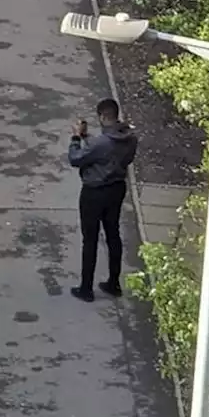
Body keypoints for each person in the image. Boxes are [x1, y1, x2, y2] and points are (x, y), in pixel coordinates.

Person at [68, 98, 138, 302]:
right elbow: (108, 149)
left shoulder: (101, 143)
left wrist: (75, 138)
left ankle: (86, 288)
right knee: (113, 234)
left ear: (101, 116)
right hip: (116, 189)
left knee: (90, 239)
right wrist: (87, 136)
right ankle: (113, 283)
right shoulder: (130, 138)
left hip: (94, 193)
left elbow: (76, 158)